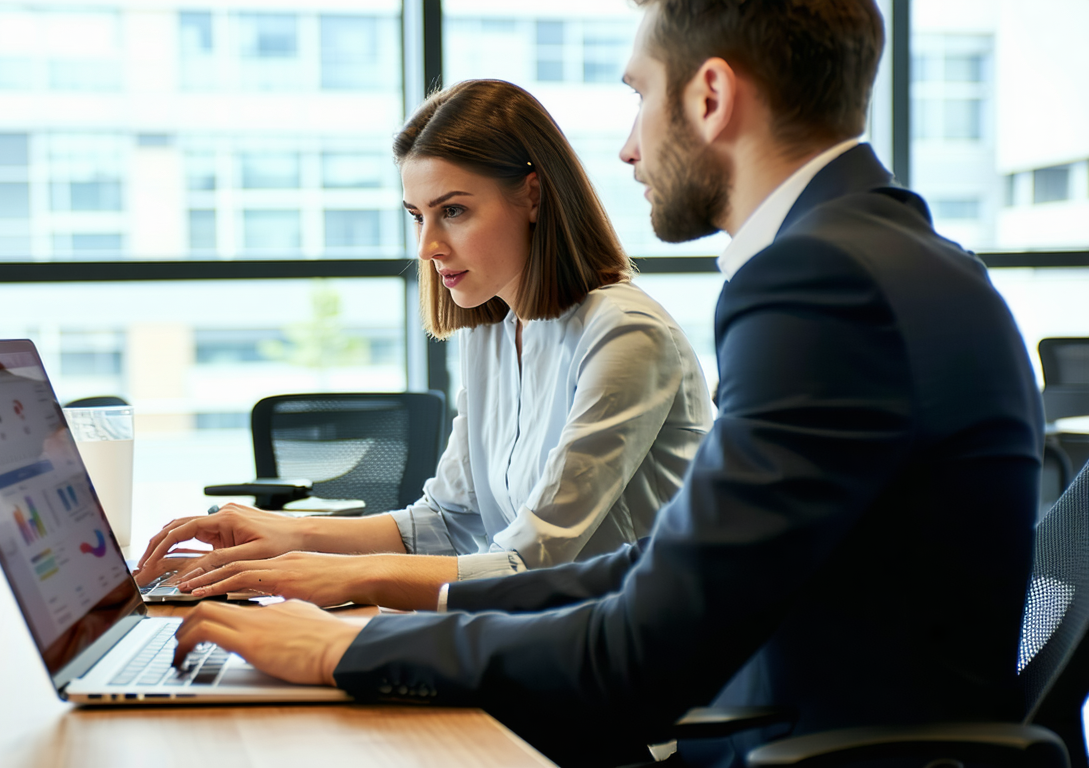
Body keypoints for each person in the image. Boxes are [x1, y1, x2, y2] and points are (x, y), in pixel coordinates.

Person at [162, 1, 1045, 765]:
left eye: (638, 96)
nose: (626, 149)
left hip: (778, 742)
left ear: (709, 96)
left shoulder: (822, 284)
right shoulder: (887, 257)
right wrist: (364, 608)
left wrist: (350, 647)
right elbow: (647, 572)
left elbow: (639, 649)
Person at [135, 79, 712, 611]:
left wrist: (342, 575)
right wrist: (284, 535)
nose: (428, 246)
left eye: (453, 211)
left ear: (533, 196)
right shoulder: (492, 329)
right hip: (544, 636)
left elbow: (532, 565)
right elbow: (448, 520)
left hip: (626, 661)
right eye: (417, 216)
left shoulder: (624, 333)